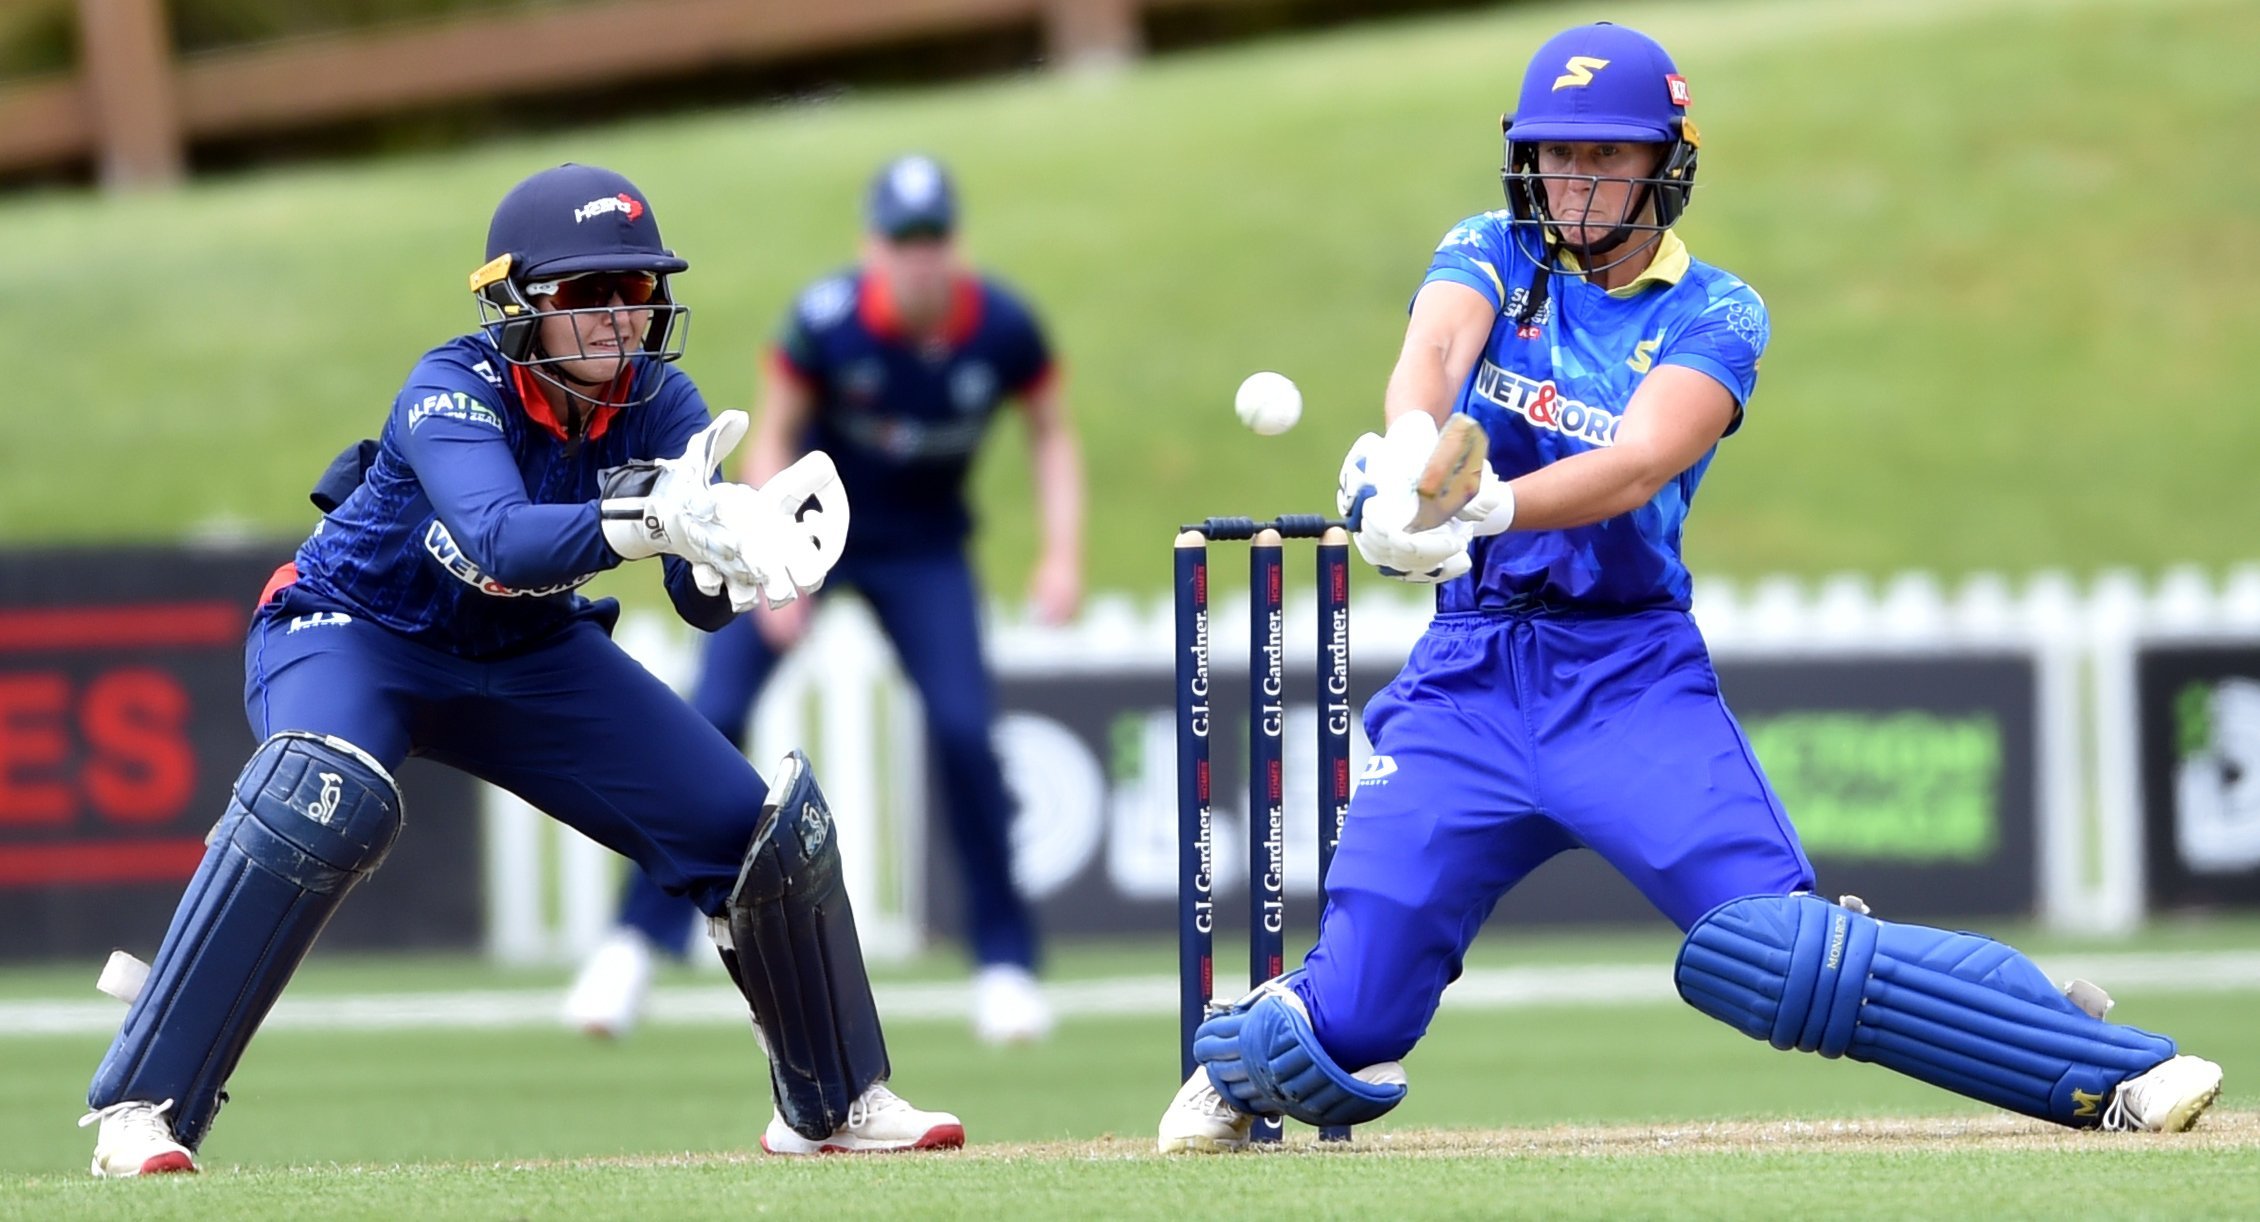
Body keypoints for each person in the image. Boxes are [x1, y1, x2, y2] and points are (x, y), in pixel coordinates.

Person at [1158, 22, 2224, 1151]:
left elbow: (1638, 461)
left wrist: (1490, 506)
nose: (1575, 183)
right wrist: (1409, 459)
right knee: (1341, 1020)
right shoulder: (1490, 248)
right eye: (1556, 156)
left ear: (1667, 161)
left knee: (1778, 949)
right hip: (1467, 677)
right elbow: (1431, 352)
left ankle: (2112, 1066)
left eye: (1606, 157)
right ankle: (1239, 1069)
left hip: (1625, 675)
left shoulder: (1718, 310)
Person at [77, 163, 964, 1177]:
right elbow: (498, 540)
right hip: (355, 630)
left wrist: (742, 558)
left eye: (635, 292)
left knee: (756, 832)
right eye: (586, 293)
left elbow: (690, 596)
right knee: (319, 794)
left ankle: (833, 1099)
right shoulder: (449, 386)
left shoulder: (664, 400)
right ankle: (141, 1104)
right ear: (521, 301)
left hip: (527, 651)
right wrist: (651, 519)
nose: (616, 318)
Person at [563, 154, 1082, 1046]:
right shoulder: (827, 321)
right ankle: (631, 949)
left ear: (953, 244)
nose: (918, 259)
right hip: (807, 532)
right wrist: (768, 558)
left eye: (933, 240)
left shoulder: (1002, 327)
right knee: (713, 709)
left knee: (964, 732)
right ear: (873, 245)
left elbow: (1051, 435)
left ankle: (1006, 964)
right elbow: (776, 429)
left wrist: (1062, 555)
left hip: (924, 550)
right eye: (901, 241)